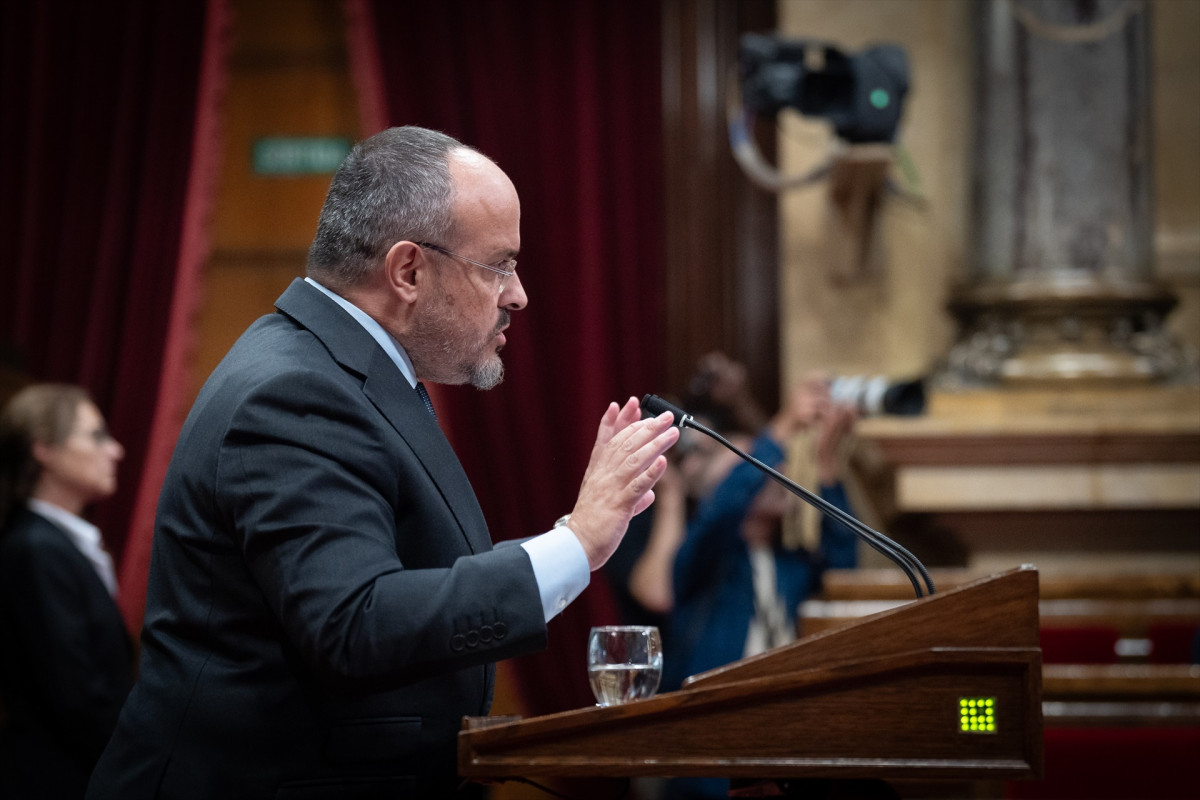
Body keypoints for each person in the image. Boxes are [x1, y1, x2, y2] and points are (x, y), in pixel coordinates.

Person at [85, 126, 678, 799]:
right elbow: (354, 620)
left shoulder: (344, 371)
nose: (518, 295)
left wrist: (573, 537)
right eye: (499, 266)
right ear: (408, 271)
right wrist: (576, 544)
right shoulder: (295, 392)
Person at [662, 374, 860, 800]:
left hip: (781, 741)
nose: (777, 473)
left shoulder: (787, 562)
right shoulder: (704, 560)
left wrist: (825, 462)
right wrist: (783, 427)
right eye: (754, 469)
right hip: (709, 753)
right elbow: (725, 510)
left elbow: (845, 562)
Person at [0, 383, 134, 799]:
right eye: (96, 435)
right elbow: (75, 696)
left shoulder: (56, 542)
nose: (116, 450)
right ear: (45, 450)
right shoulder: (37, 548)